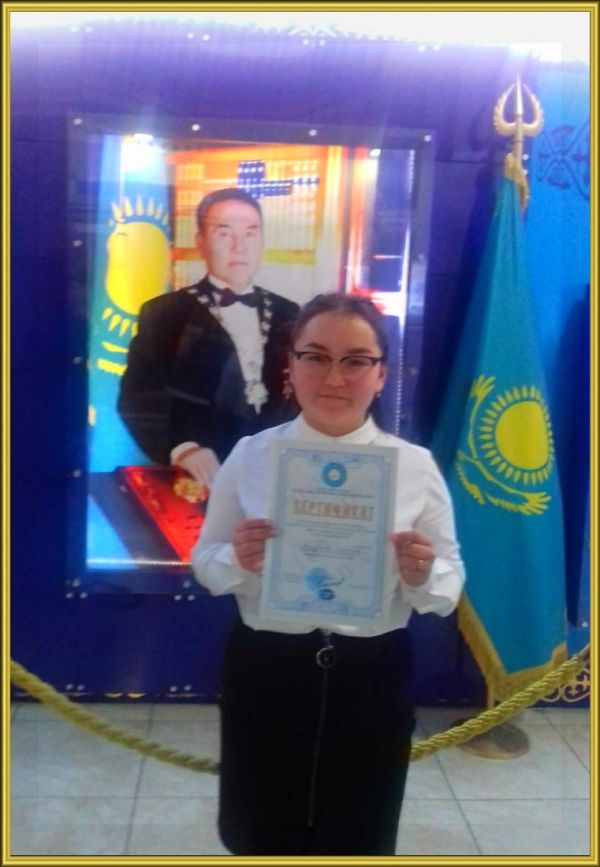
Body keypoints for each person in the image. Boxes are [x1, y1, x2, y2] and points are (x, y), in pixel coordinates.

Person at [192, 292, 465, 856]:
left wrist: (422, 574)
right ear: (290, 366)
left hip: (373, 673)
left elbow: (449, 584)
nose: (334, 377)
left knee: (359, 828)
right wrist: (236, 560)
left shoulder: (414, 467)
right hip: (266, 667)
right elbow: (206, 562)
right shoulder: (250, 456)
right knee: (260, 826)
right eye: (315, 356)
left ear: (381, 374)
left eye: (355, 360)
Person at [117, 188, 299, 487]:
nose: (239, 247)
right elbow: (137, 397)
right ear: (200, 242)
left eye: (250, 233)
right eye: (224, 233)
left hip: (277, 476)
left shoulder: (290, 312)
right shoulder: (164, 313)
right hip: (202, 481)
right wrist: (184, 448)